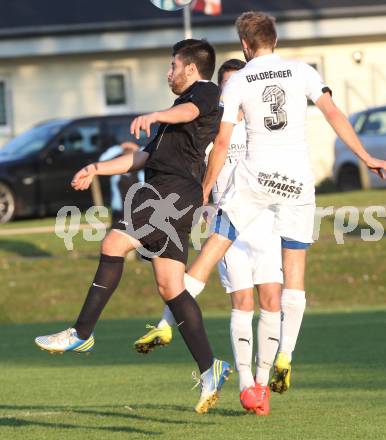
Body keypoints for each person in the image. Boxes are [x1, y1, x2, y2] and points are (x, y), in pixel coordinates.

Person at [161, 12, 386, 401]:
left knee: (213, 249)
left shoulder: (238, 80)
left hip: (256, 178)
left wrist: (205, 188)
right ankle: (286, 354)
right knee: (294, 273)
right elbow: (333, 114)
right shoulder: (302, 71)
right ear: (274, 39)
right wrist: (366, 155)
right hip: (297, 181)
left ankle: (164, 321)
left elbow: (222, 144)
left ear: (245, 45)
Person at [35, 38, 231, 414]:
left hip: (168, 193)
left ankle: (81, 333)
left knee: (112, 243)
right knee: (171, 286)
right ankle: (210, 368)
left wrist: (156, 115)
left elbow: (190, 112)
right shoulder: (176, 109)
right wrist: (95, 168)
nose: (168, 72)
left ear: (191, 68)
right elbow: (141, 157)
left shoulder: (205, 92)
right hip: (170, 191)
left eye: (173, 65)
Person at [134, 59, 283, 415]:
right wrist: (199, 195)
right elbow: (189, 162)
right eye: (228, 87)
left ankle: (263, 380)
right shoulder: (212, 130)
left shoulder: (262, 130)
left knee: (272, 299)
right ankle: (247, 385)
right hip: (227, 219)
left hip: (265, 221)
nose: (234, 94)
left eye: (239, 85)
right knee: (242, 302)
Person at [99, 141, 144, 228]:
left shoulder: (141, 173)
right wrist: (120, 148)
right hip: (120, 214)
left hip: (139, 213)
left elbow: (151, 155)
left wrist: (137, 148)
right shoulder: (116, 175)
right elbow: (102, 160)